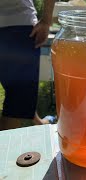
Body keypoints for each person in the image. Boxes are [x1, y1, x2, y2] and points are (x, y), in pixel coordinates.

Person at [0, 0, 56, 130]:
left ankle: (37, 121)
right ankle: (7, 148)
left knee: (18, 91)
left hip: (16, 25)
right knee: (16, 99)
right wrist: (47, 21)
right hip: (18, 25)